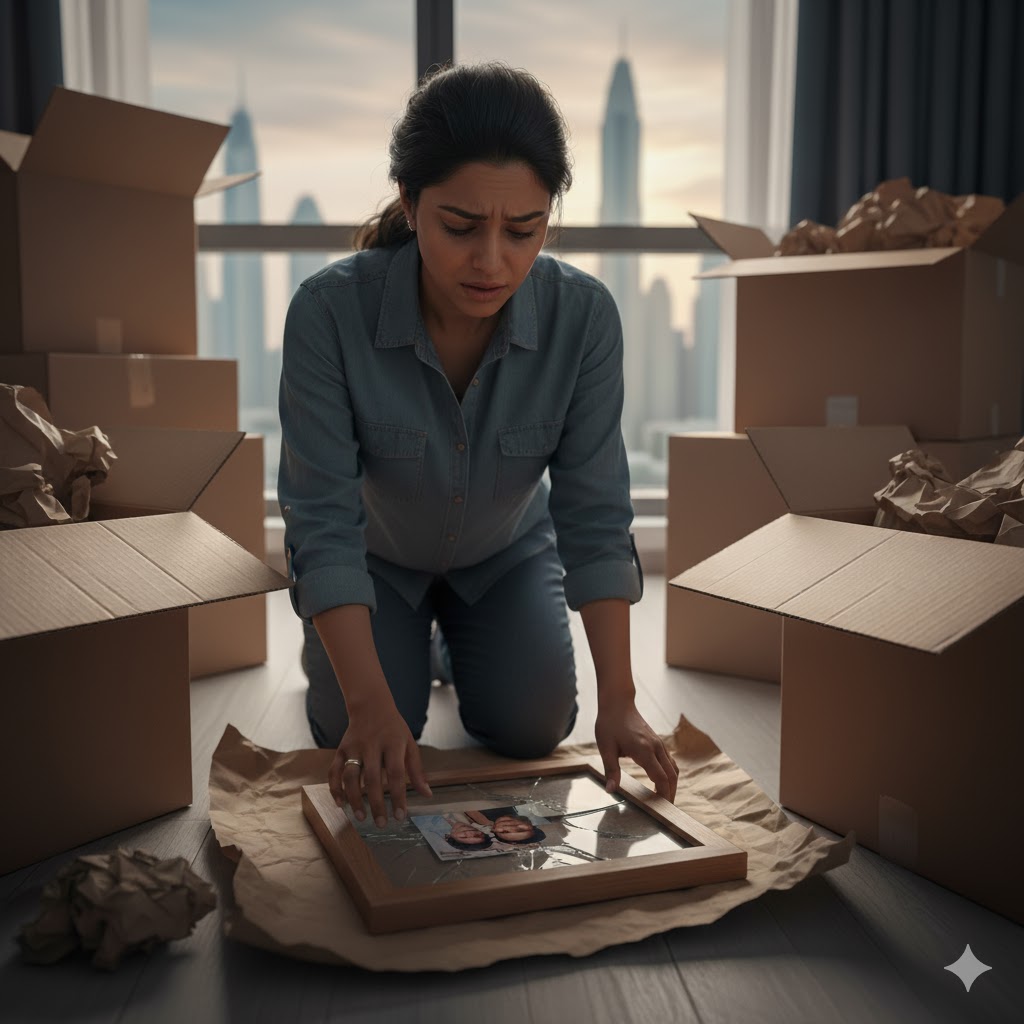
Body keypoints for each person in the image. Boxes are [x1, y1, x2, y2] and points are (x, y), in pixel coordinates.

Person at [278, 60, 681, 832]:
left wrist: (622, 702)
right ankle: (382, 659)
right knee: (353, 732)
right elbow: (321, 520)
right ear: (409, 202)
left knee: (534, 726)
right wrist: (367, 705)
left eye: (523, 230)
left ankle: (450, 650)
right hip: (375, 559)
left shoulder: (584, 319)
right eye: (460, 227)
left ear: (549, 219)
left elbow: (595, 514)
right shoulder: (327, 313)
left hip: (503, 553)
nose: (492, 261)